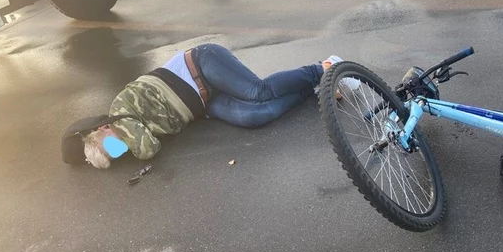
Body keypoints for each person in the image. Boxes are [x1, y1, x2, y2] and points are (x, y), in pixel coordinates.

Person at [61, 44, 349, 169]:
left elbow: (148, 149)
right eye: (114, 156)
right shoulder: (127, 132)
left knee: (257, 92)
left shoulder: (121, 110)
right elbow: (144, 144)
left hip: (201, 64)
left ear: (101, 128)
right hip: (205, 104)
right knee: (258, 116)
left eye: (109, 147)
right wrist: (118, 149)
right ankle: (314, 89)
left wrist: (124, 146)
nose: (118, 151)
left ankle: (323, 68)